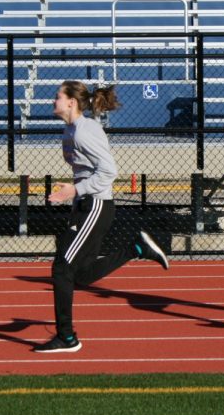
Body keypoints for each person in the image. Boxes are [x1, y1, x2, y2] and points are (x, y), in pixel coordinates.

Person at [34, 80, 169, 353]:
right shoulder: (70, 130)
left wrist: (76, 189)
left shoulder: (85, 131)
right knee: (80, 275)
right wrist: (75, 191)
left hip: (96, 205)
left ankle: (67, 337)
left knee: (61, 269)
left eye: (58, 96)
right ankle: (136, 247)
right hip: (84, 205)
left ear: (71, 102)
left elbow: (109, 171)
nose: (53, 100)